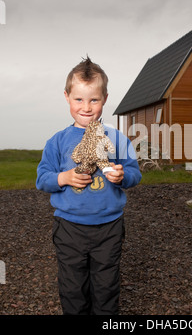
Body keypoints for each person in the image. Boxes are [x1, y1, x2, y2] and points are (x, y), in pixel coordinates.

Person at [36, 56, 142, 315]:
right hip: (69, 227)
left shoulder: (115, 138)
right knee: (73, 287)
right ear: (67, 97)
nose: (86, 107)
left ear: (104, 98)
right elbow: (43, 178)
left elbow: (134, 172)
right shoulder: (57, 141)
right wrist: (64, 178)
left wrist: (121, 175)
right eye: (79, 99)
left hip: (109, 226)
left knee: (106, 286)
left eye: (94, 99)